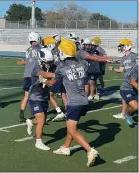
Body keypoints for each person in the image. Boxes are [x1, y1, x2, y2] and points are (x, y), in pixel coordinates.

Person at [45, 39, 99, 167]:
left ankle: (90, 150)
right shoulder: (82, 64)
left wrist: (42, 80)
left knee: (72, 129)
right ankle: (65, 147)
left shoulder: (61, 67)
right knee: (72, 126)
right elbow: (84, 81)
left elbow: (52, 83)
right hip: (84, 101)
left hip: (73, 102)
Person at [25, 46, 55, 150]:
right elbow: (43, 74)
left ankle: (30, 122)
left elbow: (50, 81)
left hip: (44, 96)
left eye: (50, 62)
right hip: (35, 97)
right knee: (41, 118)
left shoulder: (51, 66)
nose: (49, 64)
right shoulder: (36, 69)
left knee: (41, 120)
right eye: (47, 62)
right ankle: (38, 142)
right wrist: (57, 74)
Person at [108, 38, 138, 126]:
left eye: (122, 46)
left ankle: (123, 113)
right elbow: (121, 70)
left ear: (127, 46)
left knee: (128, 101)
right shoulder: (123, 58)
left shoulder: (134, 56)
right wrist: (113, 69)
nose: (120, 48)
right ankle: (124, 113)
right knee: (130, 102)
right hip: (128, 84)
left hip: (134, 83)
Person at [17, 32, 42, 123]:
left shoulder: (28, 50)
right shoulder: (40, 49)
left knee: (26, 96)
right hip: (35, 75)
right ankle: (38, 115)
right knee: (38, 95)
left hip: (26, 75)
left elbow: (27, 61)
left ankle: (21, 115)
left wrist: (22, 62)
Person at [42, 36, 67, 122]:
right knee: (64, 94)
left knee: (50, 94)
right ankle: (68, 112)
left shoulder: (53, 51)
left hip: (57, 74)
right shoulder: (63, 48)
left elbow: (51, 63)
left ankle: (59, 112)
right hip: (64, 73)